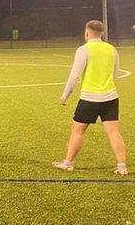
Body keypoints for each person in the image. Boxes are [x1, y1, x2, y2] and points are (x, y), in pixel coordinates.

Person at [52, 20, 127, 176]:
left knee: (77, 131)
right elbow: (116, 74)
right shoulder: (112, 49)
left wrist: (65, 95)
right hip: (111, 97)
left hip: (89, 99)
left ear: (87, 32)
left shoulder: (84, 50)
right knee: (114, 132)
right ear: (102, 33)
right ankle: (122, 167)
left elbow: (75, 76)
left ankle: (68, 163)